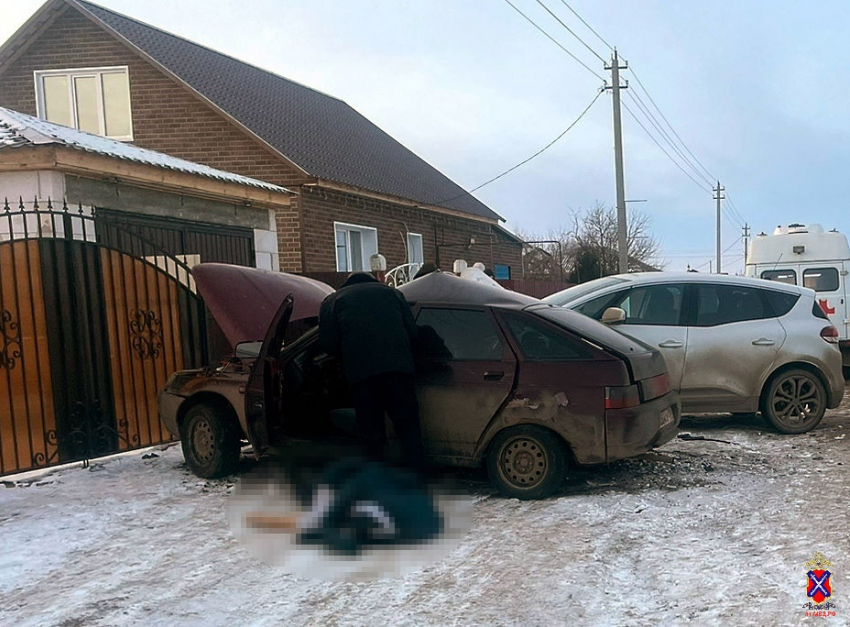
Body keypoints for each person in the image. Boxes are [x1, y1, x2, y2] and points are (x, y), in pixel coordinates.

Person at [318, 272, 426, 472]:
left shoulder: (333, 300)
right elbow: (413, 332)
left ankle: (376, 478)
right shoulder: (393, 294)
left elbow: (328, 344)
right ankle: (416, 475)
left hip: (362, 374)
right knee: (408, 426)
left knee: (371, 430)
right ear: (374, 280)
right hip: (399, 370)